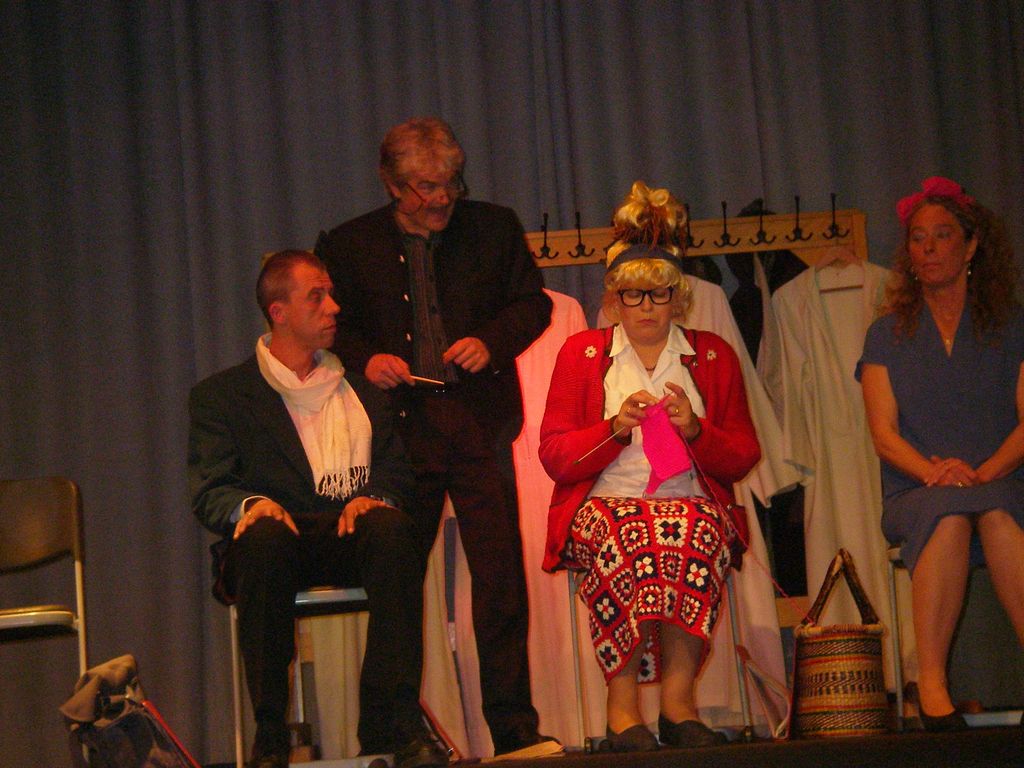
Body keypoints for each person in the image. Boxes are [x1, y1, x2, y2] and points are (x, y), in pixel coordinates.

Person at [314, 117, 554, 756]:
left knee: (500, 581)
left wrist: (491, 342)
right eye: (425, 187)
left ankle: (514, 730)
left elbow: (534, 304)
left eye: (450, 183)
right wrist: (366, 360)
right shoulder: (349, 244)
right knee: (396, 583)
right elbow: (331, 328)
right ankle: (391, 730)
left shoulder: (494, 227)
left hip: (478, 421)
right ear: (391, 184)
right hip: (398, 434)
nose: (442, 197)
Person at [188, 251, 446, 768]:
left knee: (392, 529)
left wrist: (374, 496)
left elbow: (397, 473)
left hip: (347, 536)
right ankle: (270, 734)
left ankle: (392, 724)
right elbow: (211, 488)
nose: (334, 307)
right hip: (277, 544)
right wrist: (254, 506)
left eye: (330, 294)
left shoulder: (362, 392)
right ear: (279, 312)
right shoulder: (222, 396)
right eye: (317, 297)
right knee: (262, 538)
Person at [539, 181, 761, 751]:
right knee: (629, 537)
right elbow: (556, 457)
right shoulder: (583, 355)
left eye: (657, 296)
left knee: (694, 530)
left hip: (688, 502)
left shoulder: (711, 354)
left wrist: (696, 430)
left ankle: (678, 707)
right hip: (602, 507)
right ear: (614, 299)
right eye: (633, 296)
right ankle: (622, 712)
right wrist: (613, 429)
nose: (645, 308)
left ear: (677, 298)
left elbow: (743, 455)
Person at [858, 176, 1024, 731]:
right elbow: (884, 435)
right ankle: (932, 686)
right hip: (917, 489)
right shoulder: (885, 334)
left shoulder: (1013, 325)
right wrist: (939, 475)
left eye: (943, 235)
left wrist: (983, 473)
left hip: (1002, 481)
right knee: (948, 514)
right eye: (918, 238)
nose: (928, 249)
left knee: (998, 510)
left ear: (971, 245)